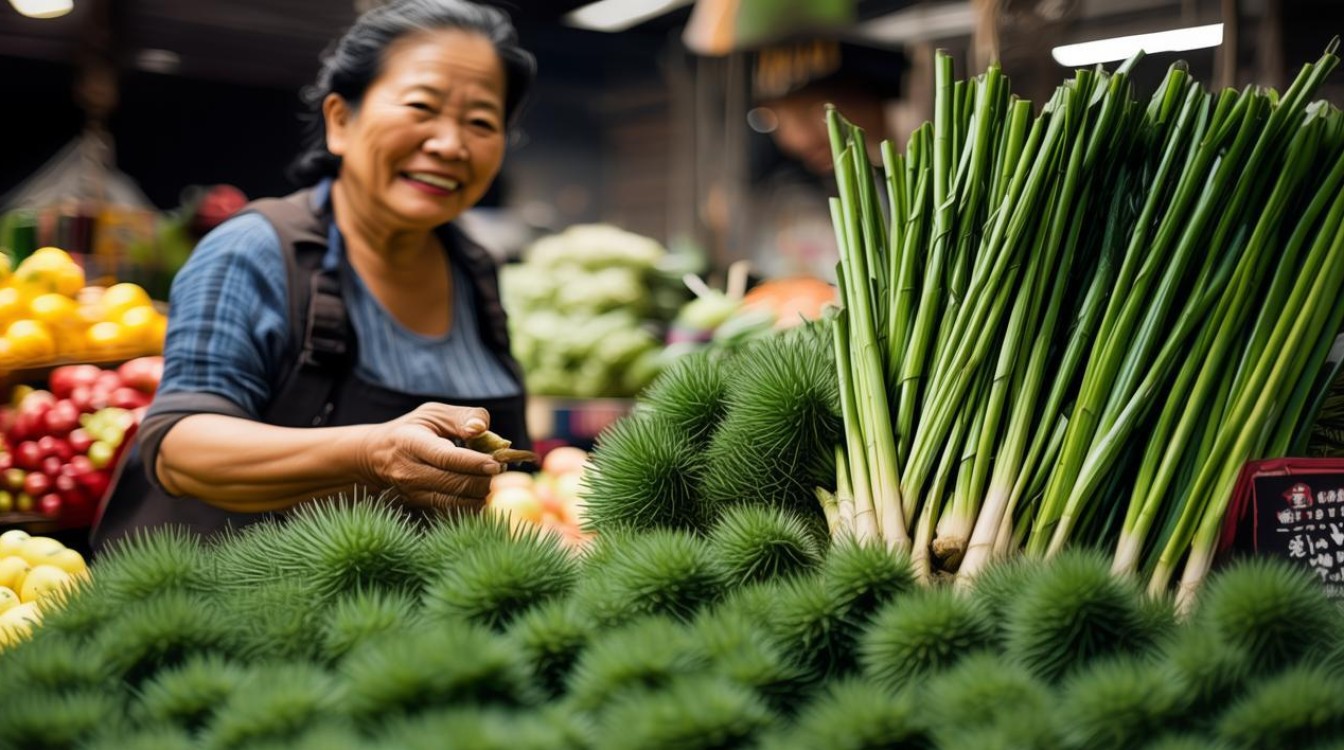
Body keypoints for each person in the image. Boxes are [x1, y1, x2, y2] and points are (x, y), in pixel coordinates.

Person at [91, 0, 537, 551]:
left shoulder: (475, 270)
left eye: (481, 122)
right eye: (422, 106)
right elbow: (180, 447)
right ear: (341, 121)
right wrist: (372, 453)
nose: (450, 145)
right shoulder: (252, 250)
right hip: (239, 594)